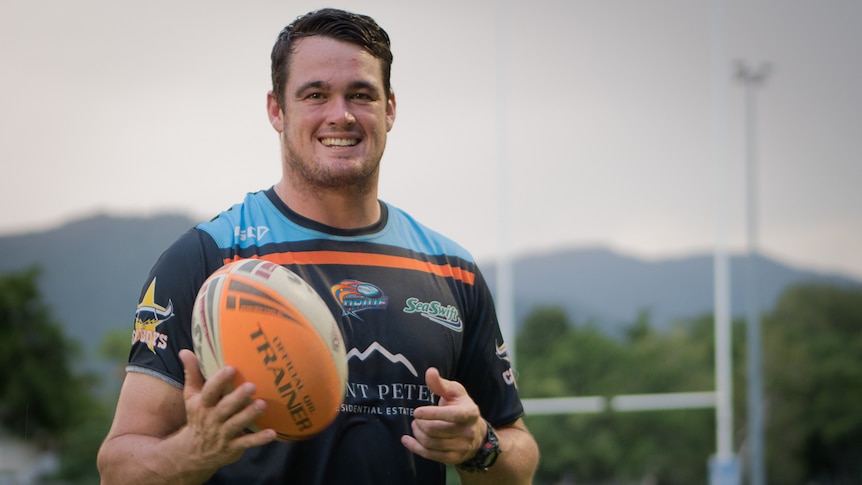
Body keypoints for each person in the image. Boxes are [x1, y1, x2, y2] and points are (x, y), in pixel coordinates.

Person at [97, 8, 539, 485]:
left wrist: (480, 446)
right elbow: (118, 467)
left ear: (390, 108)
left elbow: (518, 454)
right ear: (276, 109)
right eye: (315, 94)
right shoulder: (208, 258)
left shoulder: (452, 269)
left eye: (361, 95)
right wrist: (195, 450)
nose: (341, 115)